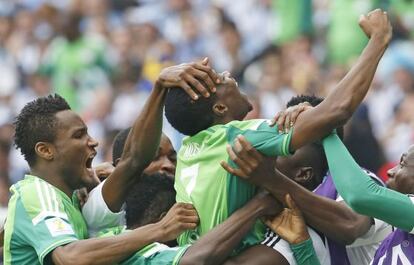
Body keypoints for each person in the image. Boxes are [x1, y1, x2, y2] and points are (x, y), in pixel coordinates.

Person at [164, 8, 392, 252]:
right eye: (220, 79)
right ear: (220, 107)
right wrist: (378, 40)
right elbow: (337, 110)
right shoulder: (239, 139)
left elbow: (351, 225)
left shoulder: (187, 150)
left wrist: (160, 87)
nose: (228, 74)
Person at [3, 58, 219, 264]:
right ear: (45, 150)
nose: (94, 142)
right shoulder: (37, 193)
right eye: (79, 136)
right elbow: (70, 258)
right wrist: (161, 229)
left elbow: (135, 161)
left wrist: (159, 89)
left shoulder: (71, 196)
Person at [322, 129, 414, 263]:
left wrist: (326, 131)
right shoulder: (391, 240)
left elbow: (360, 196)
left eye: (402, 165)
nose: (390, 171)